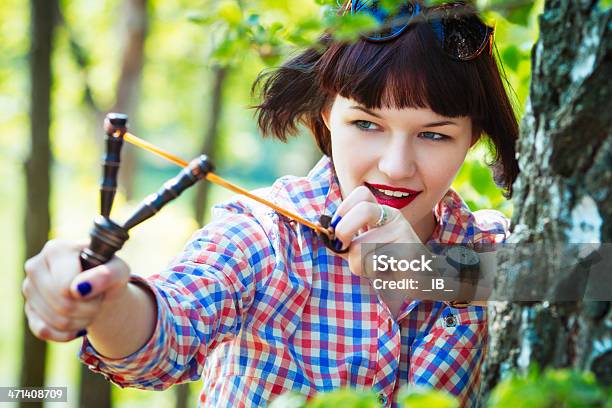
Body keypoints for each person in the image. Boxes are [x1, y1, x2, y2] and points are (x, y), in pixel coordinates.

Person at [22, 1, 518, 407]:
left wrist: (425, 274)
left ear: (472, 137)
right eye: (367, 124)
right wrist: (105, 303)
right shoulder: (267, 236)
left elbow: (590, 278)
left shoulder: (487, 245)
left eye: (433, 134)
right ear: (326, 113)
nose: (395, 165)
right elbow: (166, 333)